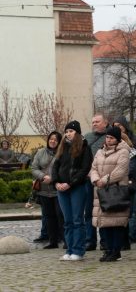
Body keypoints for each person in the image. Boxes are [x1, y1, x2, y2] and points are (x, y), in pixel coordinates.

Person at [51, 120, 94, 261]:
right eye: (66, 131)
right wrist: (56, 182)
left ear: (77, 132)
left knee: (77, 220)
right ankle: (69, 249)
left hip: (77, 188)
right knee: (67, 220)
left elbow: (85, 169)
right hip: (61, 189)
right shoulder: (62, 147)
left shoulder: (84, 147)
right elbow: (55, 166)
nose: (68, 134)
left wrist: (70, 183)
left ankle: (78, 250)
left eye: (71, 131)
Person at [88, 126, 131, 262]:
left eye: (111, 138)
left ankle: (115, 251)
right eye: (107, 137)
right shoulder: (100, 152)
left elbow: (120, 171)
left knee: (115, 222)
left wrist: (104, 181)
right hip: (100, 191)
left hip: (115, 191)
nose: (108, 140)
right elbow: (93, 168)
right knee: (104, 222)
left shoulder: (123, 152)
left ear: (117, 139)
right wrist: (96, 179)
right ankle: (108, 250)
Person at [113, 116, 136, 245]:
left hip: (133, 181)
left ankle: (133, 235)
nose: (117, 128)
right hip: (118, 184)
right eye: (115, 126)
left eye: (119, 125)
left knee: (132, 212)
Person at [31, 131, 64, 249]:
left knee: (60, 215)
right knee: (48, 216)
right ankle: (52, 241)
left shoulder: (63, 152)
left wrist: (53, 179)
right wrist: (43, 176)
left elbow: (65, 169)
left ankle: (65, 240)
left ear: (59, 142)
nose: (53, 141)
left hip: (58, 189)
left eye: (55, 139)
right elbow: (34, 168)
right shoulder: (40, 152)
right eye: (51, 139)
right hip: (44, 190)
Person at [83, 112, 110, 251]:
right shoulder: (87, 137)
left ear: (105, 122)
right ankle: (90, 240)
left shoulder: (110, 137)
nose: (94, 124)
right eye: (93, 122)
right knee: (89, 211)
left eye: (97, 122)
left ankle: (105, 241)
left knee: (103, 210)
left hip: (104, 180)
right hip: (89, 179)